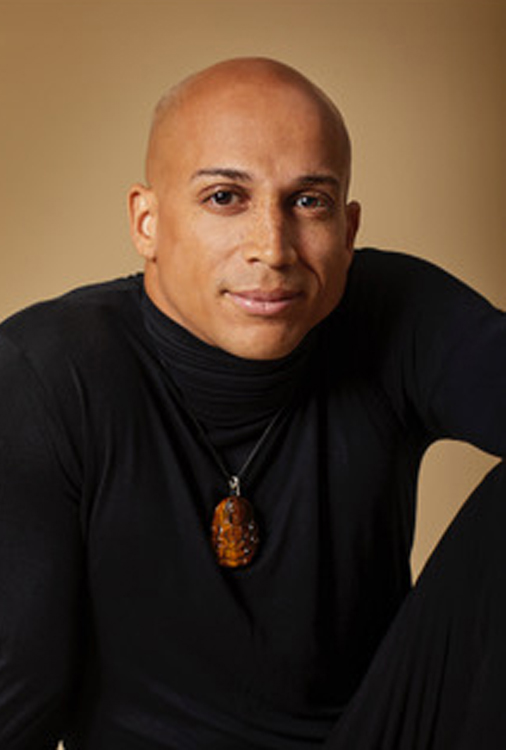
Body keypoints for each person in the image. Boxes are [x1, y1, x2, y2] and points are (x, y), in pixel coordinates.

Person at [0, 57, 504, 749]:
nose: (272, 248)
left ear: (348, 229)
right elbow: (17, 698)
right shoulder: (46, 373)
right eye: (224, 198)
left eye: (309, 202)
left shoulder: (396, 312)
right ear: (146, 221)